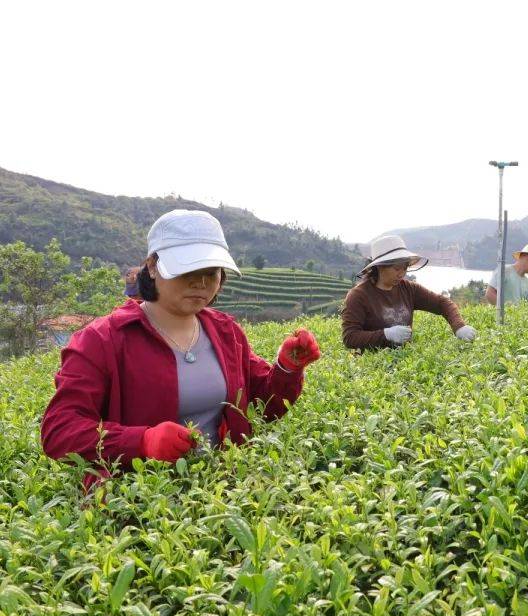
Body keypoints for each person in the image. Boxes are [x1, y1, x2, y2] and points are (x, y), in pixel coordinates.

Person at [41, 209, 321, 489]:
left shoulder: (226, 332)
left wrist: (287, 368)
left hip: (219, 493)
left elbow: (260, 409)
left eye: (210, 272)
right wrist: (142, 442)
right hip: (136, 504)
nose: (200, 282)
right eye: (187, 270)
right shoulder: (102, 339)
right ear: (152, 266)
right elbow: (60, 430)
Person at [341, 235, 477, 350]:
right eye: (396, 269)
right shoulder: (359, 296)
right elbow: (350, 338)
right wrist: (385, 335)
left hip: (404, 359)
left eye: (405, 268)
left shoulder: (409, 289)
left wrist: (459, 326)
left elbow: (442, 303)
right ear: (380, 267)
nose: (401, 274)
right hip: (371, 366)